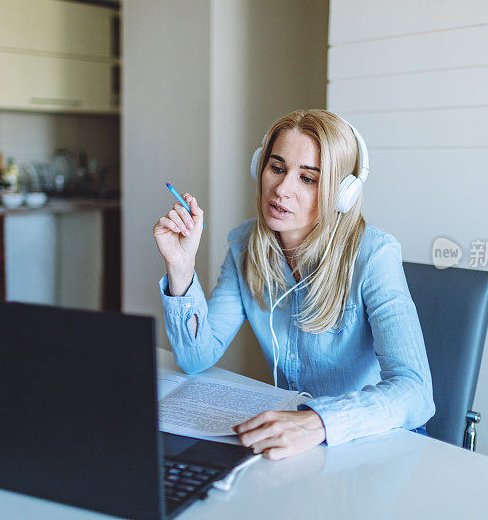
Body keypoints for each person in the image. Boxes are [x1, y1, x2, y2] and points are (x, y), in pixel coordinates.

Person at [153, 109, 434, 460]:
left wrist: (317, 423)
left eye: (308, 179)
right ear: (260, 169)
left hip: (371, 441)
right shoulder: (244, 245)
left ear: (342, 192)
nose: (282, 189)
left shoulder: (375, 256)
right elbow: (195, 359)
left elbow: (415, 392)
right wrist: (181, 267)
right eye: (277, 168)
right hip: (296, 444)